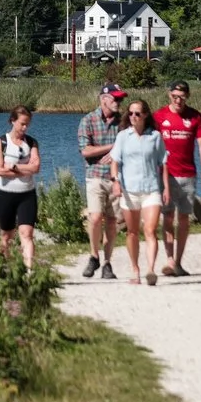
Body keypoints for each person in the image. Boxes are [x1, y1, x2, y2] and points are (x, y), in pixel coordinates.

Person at [153, 81, 201, 278]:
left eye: (182, 97)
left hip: (188, 174)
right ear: (169, 95)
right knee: (168, 216)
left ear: (187, 97)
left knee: (184, 218)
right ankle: (169, 259)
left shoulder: (195, 116)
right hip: (166, 175)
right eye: (175, 97)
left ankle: (178, 261)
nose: (178, 101)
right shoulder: (159, 116)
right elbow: (149, 142)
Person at [109, 96, 167, 284]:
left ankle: (151, 270)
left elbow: (163, 163)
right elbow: (115, 161)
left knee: (150, 230)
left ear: (145, 115)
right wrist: (115, 181)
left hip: (151, 189)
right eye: (130, 113)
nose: (133, 116)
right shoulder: (123, 136)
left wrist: (166, 188)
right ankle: (135, 270)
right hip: (129, 191)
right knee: (132, 232)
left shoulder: (155, 137)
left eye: (137, 113)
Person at [75, 82, 125, 280]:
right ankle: (94, 255)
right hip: (95, 175)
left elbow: (129, 146)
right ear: (104, 99)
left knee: (112, 221)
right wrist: (113, 147)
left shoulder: (123, 122)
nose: (119, 102)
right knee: (95, 218)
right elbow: (86, 151)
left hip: (116, 178)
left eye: (120, 99)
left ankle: (107, 263)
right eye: (115, 98)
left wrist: (118, 151)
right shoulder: (88, 120)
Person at [0, 105, 43, 270]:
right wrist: (25, 169)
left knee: (27, 234)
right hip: (5, 195)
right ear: (13, 121)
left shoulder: (31, 143)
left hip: (27, 195)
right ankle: (5, 269)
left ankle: (29, 272)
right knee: (7, 235)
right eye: (22, 124)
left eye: (27, 124)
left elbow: (36, 167)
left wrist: (14, 167)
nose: (25, 128)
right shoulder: (1, 142)